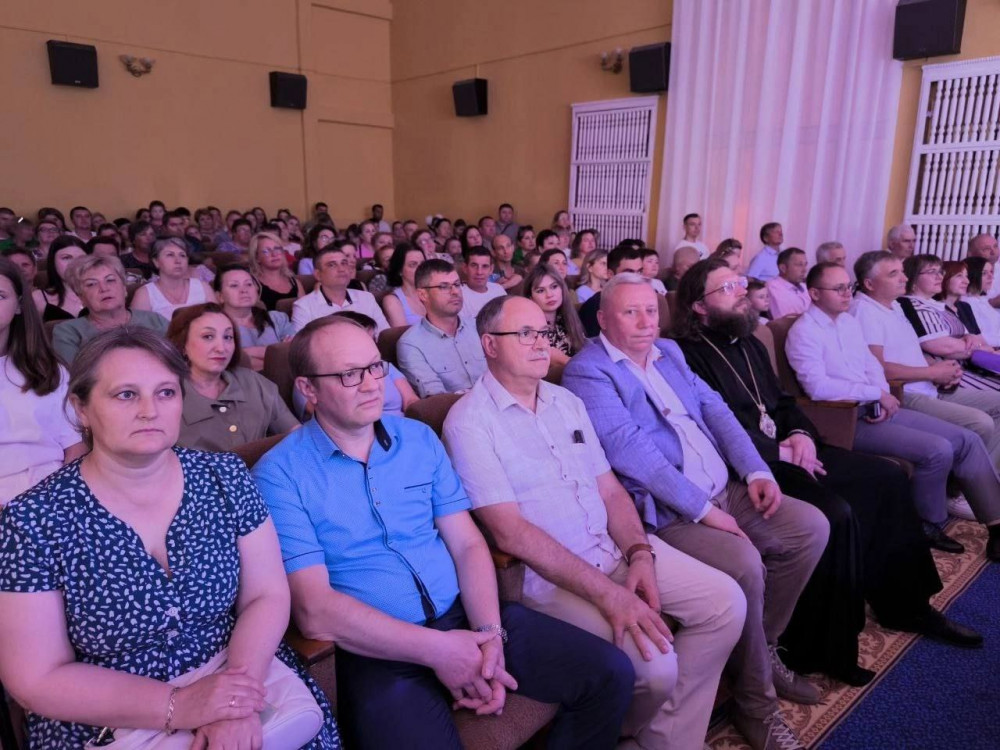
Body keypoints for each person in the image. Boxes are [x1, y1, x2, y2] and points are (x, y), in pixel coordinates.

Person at [251, 314, 635, 749]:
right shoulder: (279, 475)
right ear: (308, 389)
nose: (373, 384)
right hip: (378, 649)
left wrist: (490, 636)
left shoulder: (417, 439)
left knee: (610, 674)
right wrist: (440, 651)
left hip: (464, 615)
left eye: (375, 366)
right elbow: (314, 610)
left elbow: (468, 543)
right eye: (349, 374)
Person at [0, 327, 341, 749]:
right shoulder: (33, 520)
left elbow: (266, 596)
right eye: (126, 394)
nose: (150, 410)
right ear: (81, 408)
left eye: (165, 392)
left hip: (240, 672)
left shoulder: (225, 477)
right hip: (108, 718)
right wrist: (182, 706)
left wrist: (233, 698)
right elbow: (36, 676)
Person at [443, 295, 745, 750]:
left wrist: (639, 553)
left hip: (614, 549)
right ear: (489, 344)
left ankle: (664, 739)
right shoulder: (469, 422)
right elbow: (510, 533)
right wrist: (609, 595)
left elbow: (610, 490)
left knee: (727, 602)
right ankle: (633, 731)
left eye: (544, 332)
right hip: (553, 581)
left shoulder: (566, 401)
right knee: (655, 666)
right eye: (524, 334)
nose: (541, 343)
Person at [672, 258, 978, 681]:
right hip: (751, 466)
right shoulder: (684, 355)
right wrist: (779, 450)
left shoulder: (749, 343)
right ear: (699, 306)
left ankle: (907, 606)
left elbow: (782, 403)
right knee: (835, 512)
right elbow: (709, 428)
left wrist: (801, 433)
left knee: (886, 479)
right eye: (727, 288)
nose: (741, 291)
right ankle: (823, 649)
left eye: (740, 283)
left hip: (795, 449)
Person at [562, 273, 828, 750]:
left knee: (810, 527)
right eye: (630, 312)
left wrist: (756, 471)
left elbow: (717, 411)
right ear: (602, 319)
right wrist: (704, 510)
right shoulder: (589, 371)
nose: (645, 322)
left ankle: (761, 650)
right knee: (745, 564)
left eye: (650, 310)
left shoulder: (671, 352)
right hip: (671, 512)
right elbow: (631, 451)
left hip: (726, 487)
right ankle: (756, 704)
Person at [786, 262, 1000, 560]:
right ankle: (927, 524)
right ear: (814, 293)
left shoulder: (847, 322)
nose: (847, 293)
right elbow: (819, 388)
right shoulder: (804, 331)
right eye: (838, 288)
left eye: (848, 286)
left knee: (968, 439)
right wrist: (876, 394)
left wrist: (882, 393)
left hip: (878, 405)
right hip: (846, 418)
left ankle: (996, 524)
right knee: (938, 449)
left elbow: (872, 365)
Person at [852, 251, 1000, 476]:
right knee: (981, 423)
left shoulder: (895, 306)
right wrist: (932, 372)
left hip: (929, 385)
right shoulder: (865, 311)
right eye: (894, 274)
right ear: (869, 283)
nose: (904, 278)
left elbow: (913, 350)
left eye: (902, 272)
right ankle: (972, 483)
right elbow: (879, 368)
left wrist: (940, 370)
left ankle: (983, 478)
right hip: (905, 393)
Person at [0, 258, 87, 506]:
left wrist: (53, 501)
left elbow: (75, 448)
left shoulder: (47, 370)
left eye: (0, 296)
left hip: (50, 494)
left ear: (19, 305)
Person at [167, 303, 299, 451]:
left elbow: (297, 437)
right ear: (183, 345)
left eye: (228, 337)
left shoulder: (254, 382)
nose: (221, 348)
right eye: (208, 336)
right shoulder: (165, 397)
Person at [52, 255, 168, 364]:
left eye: (110, 280)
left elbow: (175, 363)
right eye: (91, 284)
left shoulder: (155, 321)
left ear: (124, 288)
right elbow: (74, 375)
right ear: (81, 297)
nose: (104, 288)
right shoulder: (68, 333)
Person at [397, 259, 486, 397]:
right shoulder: (411, 344)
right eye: (444, 287)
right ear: (423, 295)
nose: (455, 291)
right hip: (458, 409)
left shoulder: (479, 326)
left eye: (457, 284)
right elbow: (437, 399)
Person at [292, 242, 389, 334]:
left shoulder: (367, 298)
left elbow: (384, 335)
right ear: (318, 275)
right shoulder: (304, 307)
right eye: (332, 265)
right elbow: (302, 344)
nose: (341, 269)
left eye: (344, 263)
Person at [215, 264, 295, 370]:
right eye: (234, 285)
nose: (244, 290)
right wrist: (276, 353)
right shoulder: (215, 326)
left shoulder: (277, 318)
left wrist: (245, 352)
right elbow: (229, 363)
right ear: (220, 296)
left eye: (248, 284)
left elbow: (295, 352)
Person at [130, 238, 213, 322]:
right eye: (170, 255)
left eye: (182, 255)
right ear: (156, 261)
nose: (178, 260)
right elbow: (137, 329)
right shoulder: (144, 294)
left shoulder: (203, 287)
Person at [521, 263, 586, 363]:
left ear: (562, 289)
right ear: (530, 297)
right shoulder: (528, 330)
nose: (549, 295)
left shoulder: (568, 319)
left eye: (554, 287)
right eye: (540, 290)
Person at [578, 245, 645, 337]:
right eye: (629, 273)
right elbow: (592, 342)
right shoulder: (594, 306)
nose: (637, 278)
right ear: (610, 274)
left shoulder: (645, 301)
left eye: (640, 272)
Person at [32, 236, 87, 321]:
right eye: (66, 258)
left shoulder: (102, 292)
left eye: (81, 258)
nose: (74, 264)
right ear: (53, 262)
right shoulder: (37, 298)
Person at [251, 232, 305, 312]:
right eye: (266, 251)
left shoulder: (296, 283)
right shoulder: (252, 284)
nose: (274, 254)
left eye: (277, 249)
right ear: (257, 258)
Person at [381, 242, 427, 327]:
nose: (420, 269)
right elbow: (403, 334)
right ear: (400, 271)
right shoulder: (392, 300)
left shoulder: (433, 292)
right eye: (413, 265)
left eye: (423, 264)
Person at [963, 256, 1000, 346]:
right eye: (984, 273)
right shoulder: (967, 302)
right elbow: (978, 337)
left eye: (991, 272)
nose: (991, 276)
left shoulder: (982, 299)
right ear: (972, 275)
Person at [461, 245, 506, 319]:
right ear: (465, 268)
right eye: (474, 265)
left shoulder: (498, 290)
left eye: (485, 266)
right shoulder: (458, 294)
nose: (479, 272)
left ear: (491, 269)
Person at [765, 247, 811, 318]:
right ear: (783, 268)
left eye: (805, 265)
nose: (804, 270)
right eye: (799, 265)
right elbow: (786, 318)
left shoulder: (805, 287)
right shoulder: (773, 287)